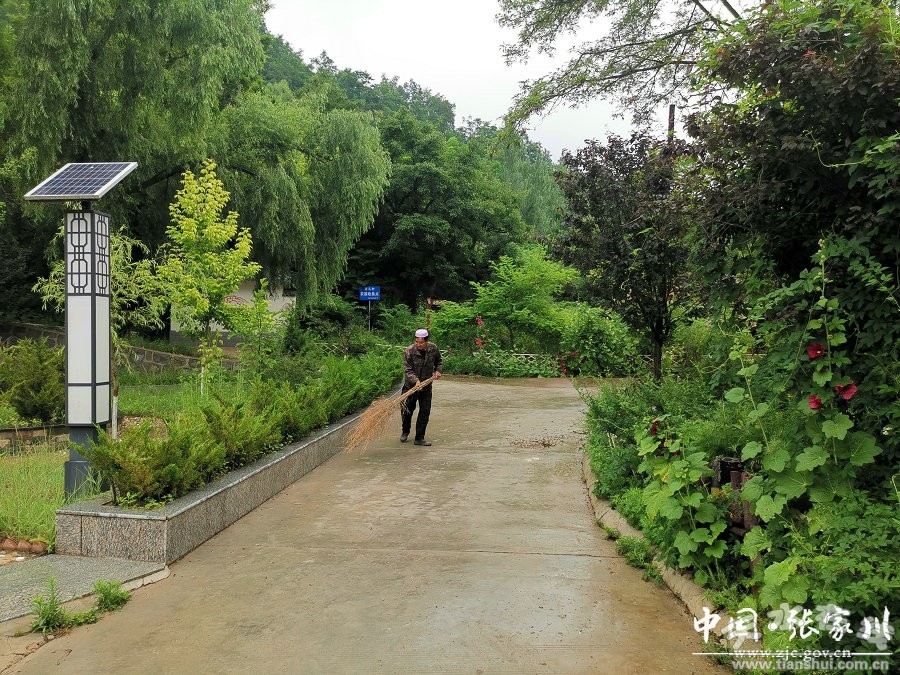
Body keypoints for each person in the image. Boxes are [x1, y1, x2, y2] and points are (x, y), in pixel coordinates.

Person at [401, 328, 442, 446]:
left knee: (425, 412)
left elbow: (439, 361)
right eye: (417, 342)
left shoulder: (433, 348)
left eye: (421, 342)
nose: (418, 344)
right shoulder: (409, 351)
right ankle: (405, 431)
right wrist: (416, 381)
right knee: (407, 410)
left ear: (426, 341)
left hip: (426, 387)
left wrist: (438, 370)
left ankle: (419, 438)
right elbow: (407, 370)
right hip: (410, 387)